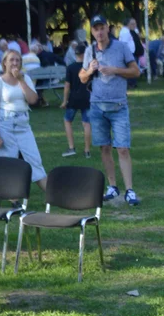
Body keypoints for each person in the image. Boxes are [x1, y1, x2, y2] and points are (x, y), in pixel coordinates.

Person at [80, 15, 140, 206]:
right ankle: (113, 186)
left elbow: (135, 71)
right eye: (95, 29)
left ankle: (130, 190)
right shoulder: (90, 50)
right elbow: (82, 77)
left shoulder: (121, 47)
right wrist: (89, 71)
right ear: (92, 32)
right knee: (105, 147)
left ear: (108, 28)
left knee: (122, 148)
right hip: (97, 107)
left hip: (118, 106)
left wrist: (115, 70)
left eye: (102, 28)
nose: (99, 32)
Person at [0, 50, 47, 188]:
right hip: (5, 124)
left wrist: (20, 80)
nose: (15, 63)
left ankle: (52, 194)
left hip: (23, 125)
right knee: (7, 163)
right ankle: (13, 199)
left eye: (17, 60)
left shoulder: (25, 79)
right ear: (4, 63)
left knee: (34, 159)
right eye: (11, 60)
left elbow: (33, 100)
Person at [60, 43, 92, 159]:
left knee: (67, 120)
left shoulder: (71, 67)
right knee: (86, 124)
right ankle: (87, 150)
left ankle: (71, 147)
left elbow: (67, 86)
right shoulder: (88, 68)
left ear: (76, 54)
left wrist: (64, 100)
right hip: (87, 98)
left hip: (74, 98)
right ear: (85, 54)